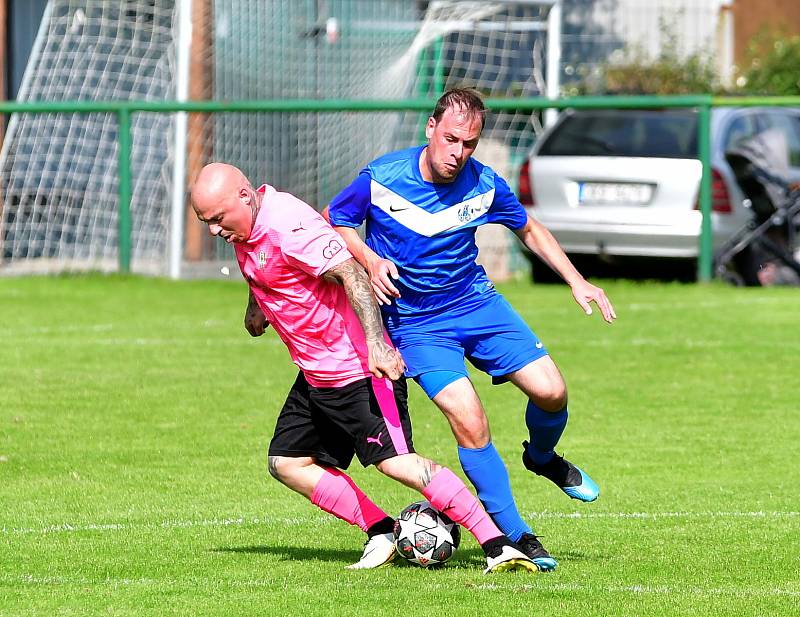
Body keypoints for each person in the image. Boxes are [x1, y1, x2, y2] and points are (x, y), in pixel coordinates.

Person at [191, 162, 537, 574]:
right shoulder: (245, 225)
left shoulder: (288, 225)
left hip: (359, 371)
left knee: (397, 463)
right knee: (287, 462)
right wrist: (256, 307)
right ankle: (380, 530)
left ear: (244, 197)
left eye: (216, 219)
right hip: (317, 374)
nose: (214, 230)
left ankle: (497, 544)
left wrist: (377, 346)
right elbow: (258, 264)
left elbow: (352, 274)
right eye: (205, 221)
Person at [322, 88, 617, 571]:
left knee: (553, 392)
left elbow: (529, 228)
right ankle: (516, 535)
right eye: (452, 139)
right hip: (416, 325)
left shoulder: (484, 183)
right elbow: (339, 220)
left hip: (475, 304)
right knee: (471, 419)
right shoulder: (382, 177)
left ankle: (542, 457)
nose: (458, 153)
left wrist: (576, 280)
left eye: (470, 143)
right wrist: (370, 260)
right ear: (430, 129)